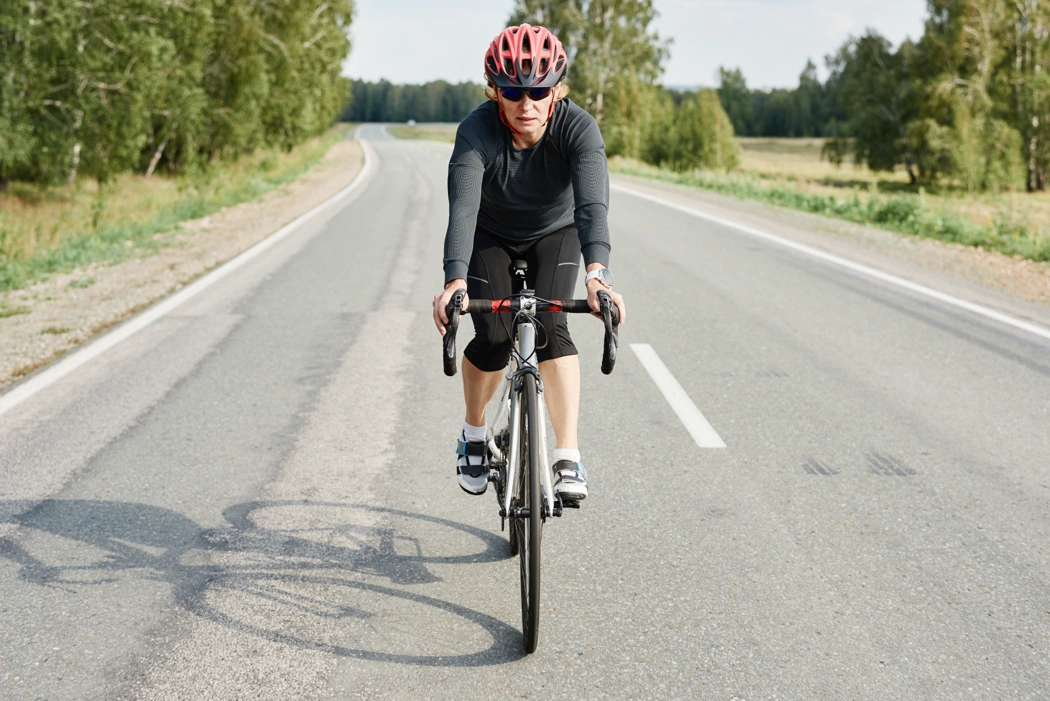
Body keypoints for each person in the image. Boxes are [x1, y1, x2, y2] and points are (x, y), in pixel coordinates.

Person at [432, 23, 626, 502]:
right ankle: (474, 433)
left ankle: (567, 454)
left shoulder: (578, 129)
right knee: (495, 334)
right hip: (490, 234)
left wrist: (598, 276)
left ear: (556, 90)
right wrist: (454, 281)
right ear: (494, 91)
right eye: (513, 92)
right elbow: (463, 210)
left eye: (538, 91)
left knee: (552, 325)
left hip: (555, 233)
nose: (526, 104)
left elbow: (592, 209)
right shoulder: (477, 131)